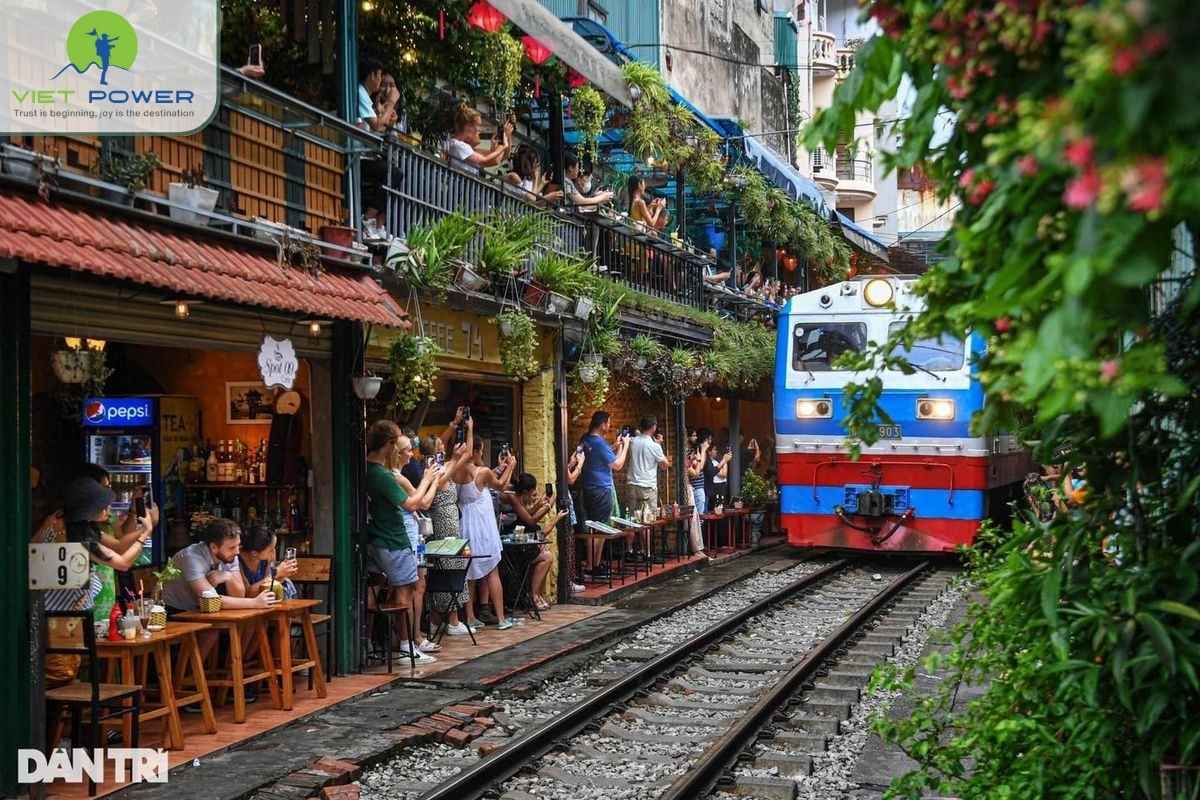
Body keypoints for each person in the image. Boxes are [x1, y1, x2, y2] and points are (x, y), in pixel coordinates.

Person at [44, 477, 152, 688]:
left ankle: (61, 718)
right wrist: (145, 535)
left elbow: (119, 545)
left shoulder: (70, 523)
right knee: (59, 674)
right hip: (57, 616)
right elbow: (122, 563)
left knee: (63, 673)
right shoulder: (78, 537)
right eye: (103, 505)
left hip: (61, 611)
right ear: (87, 508)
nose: (108, 509)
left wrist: (142, 528)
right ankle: (58, 718)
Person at [363, 420, 441, 664]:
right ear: (388, 445)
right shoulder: (383, 475)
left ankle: (368, 643)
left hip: (377, 538)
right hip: (392, 539)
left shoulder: (367, 469)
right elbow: (412, 504)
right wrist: (428, 478)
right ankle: (407, 647)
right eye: (396, 444)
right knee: (405, 591)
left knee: (377, 589)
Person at [383, 427, 445, 660]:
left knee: (409, 587)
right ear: (397, 453)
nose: (412, 454)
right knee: (408, 589)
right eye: (408, 450)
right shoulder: (396, 477)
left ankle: (410, 640)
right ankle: (408, 642)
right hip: (405, 535)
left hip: (408, 534)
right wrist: (431, 480)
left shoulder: (396, 475)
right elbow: (423, 503)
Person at [454, 421, 522, 630]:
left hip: (466, 522)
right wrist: (510, 467)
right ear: (476, 450)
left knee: (469, 571)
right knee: (492, 569)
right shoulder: (481, 472)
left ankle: (471, 617)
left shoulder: (456, 469)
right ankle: (501, 619)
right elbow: (500, 485)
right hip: (482, 526)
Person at [502, 473, 566, 610]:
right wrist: (548, 507)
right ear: (525, 491)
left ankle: (535, 594)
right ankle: (534, 595)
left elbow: (527, 514)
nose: (533, 497)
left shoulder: (519, 498)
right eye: (532, 494)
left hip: (523, 540)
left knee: (546, 554)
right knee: (547, 557)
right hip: (514, 544)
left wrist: (539, 505)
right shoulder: (513, 497)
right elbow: (530, 520)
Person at [579, 411, 630, 575]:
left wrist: (615, 447)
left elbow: (598, 455)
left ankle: (593, 564)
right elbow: (617, 465)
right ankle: (593, 565)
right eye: (608, 423)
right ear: (602, 424)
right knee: (600, 528)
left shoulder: (585, 439)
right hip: (601, 488)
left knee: (591, 528)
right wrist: (626, 446)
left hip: (587, 487)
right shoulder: (599, 443)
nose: (609, 426)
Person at [233, 525, 298, 601]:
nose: (274, 553)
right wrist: (275, 574)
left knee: (287, 585)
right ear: (254, 553)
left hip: (263, 601)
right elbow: (247, 594)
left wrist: (282, 575)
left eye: (275, 548)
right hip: (249, 604)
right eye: (270, 550)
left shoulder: (265, 557)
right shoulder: (236, 560)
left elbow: (267, 587)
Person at [626, 417, 670, 514]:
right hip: (648, 487)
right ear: (654, 427)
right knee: (649, 519)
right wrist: (659, 446)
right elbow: (665, 465)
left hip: (632, 485)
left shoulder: (632, 441)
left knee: (632, 518)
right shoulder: (654, 446)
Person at [446, 105, 513, 169]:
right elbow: (484, 160)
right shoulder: (457, 144)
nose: (480, 130)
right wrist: (502, 146)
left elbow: (498, 159)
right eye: (478, 126)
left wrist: (506, 136)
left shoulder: (466, 148)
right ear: (469, 126)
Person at [357, 58, 389, 132]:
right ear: (372, 75)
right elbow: (377, 126)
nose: (381, 79)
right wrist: (391, 102)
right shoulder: (360, 92)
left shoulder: (363, 93)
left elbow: (382, 128)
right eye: (380, 75)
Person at [704, 437, 732, 511]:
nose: (716, 451)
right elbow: (722, 474)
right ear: (709, 452)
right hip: (715, 488)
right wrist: (724, 461)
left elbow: (724, 473)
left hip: (721, 487)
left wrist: (724, 461)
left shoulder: (716, 461)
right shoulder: (709, 462)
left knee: (721, 508)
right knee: (715, 509)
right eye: (715, 449)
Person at [688, 442, 709, 515]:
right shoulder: (690, 463)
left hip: (698, 489)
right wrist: (699, 459)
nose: (696, 454)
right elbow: (698, 471)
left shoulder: (693, 461)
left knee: (699, 514)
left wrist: (702, 452)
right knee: (698, 515)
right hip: (697, 489)